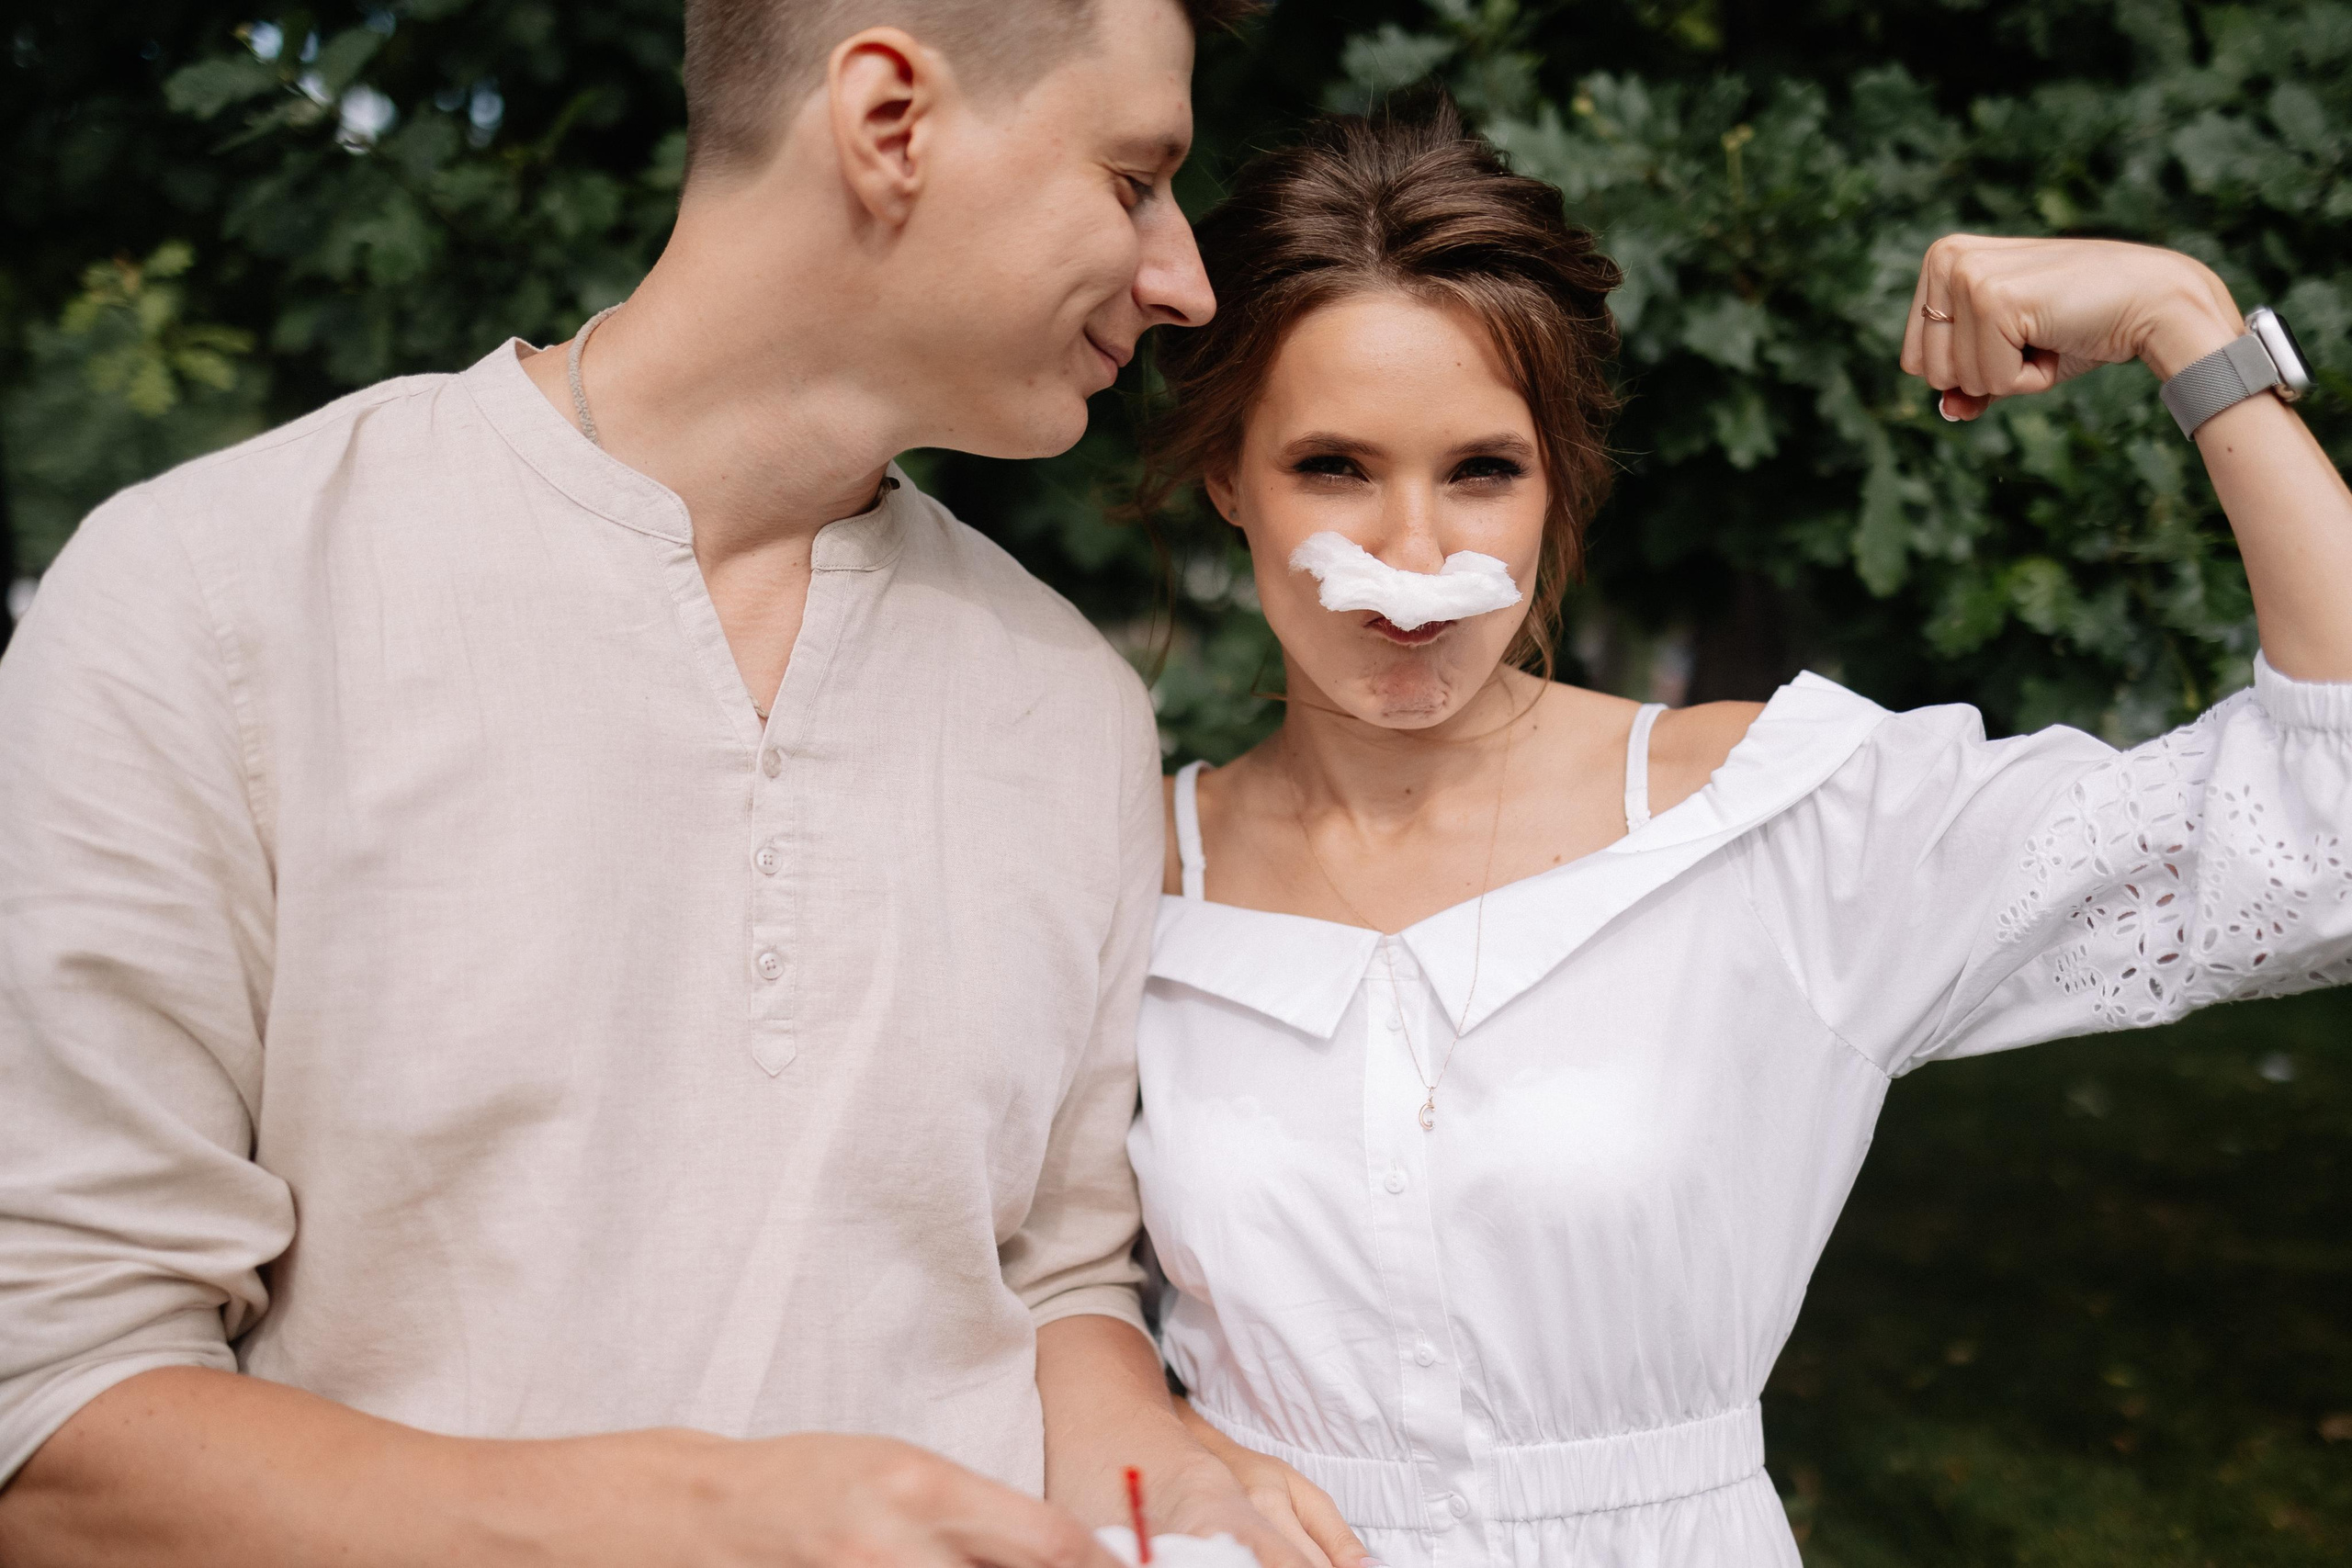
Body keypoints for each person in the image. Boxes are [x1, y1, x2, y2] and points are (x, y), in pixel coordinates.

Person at [0, 3, 1320, 1564]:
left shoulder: (1076, 703)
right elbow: (54, 1422)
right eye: (1134, 181)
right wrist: (706, 1518)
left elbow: (1058, 1282)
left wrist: (1160, 1480)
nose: (1185, 281)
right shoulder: (206, 599)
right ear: (889, 124)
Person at [1125, 106, 2352, 1568]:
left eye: (1482, 470)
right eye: (1332, 465)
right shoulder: (1128, 870)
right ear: (1228, 476)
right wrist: (1172, 1438)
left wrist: (2183, 322)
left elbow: (2328, 832)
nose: (1412, 554)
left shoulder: (1776, 822)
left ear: (1558, 483)